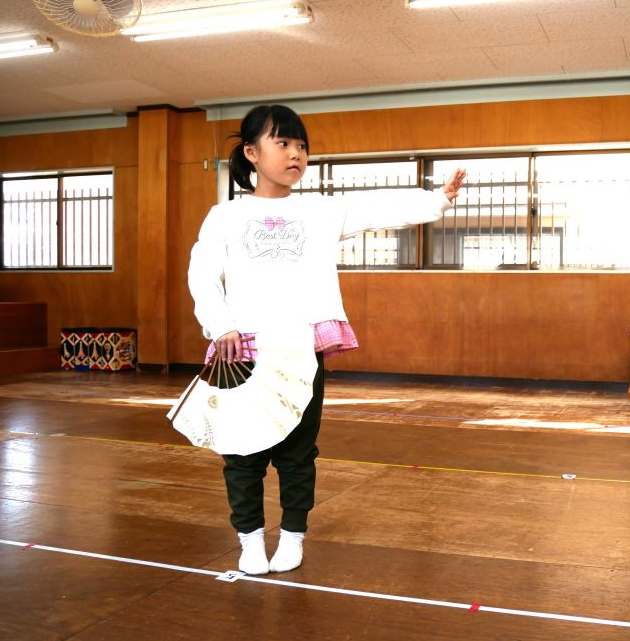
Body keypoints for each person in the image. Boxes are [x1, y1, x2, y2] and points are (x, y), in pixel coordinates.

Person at [187, 104, 466, 575]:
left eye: (302, 146)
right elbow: (201, 275)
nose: (296, 153)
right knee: (242, 451)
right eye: (283, 143)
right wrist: (221, 326)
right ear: (252, 153)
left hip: (300, 351)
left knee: (298, 452)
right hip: (243, 352)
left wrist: (438, 198)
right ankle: (250, 539)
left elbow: (381, 207)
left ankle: (293, 536)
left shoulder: (318, 211)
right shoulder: (224, 217)